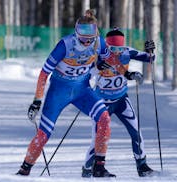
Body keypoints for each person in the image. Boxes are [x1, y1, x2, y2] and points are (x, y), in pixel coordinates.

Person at [16, 14, 116, 177]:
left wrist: (101, 65)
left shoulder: (99, 42)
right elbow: (44, 73)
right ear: (76, 33)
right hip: (59, 92)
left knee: (104, 119)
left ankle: (99, 167)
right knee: (43, 134)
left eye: (90, 39)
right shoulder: (65, 44)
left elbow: (107, 59)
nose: (86, 43)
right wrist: (37, 101)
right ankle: (24, 170)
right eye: (83, 39)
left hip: (82, 90)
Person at [81, 28, 156, 177]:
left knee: (136, 132)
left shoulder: (127, 52)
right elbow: (85, 73)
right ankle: (88, 168)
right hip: (101, 102)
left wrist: (150, 51)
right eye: (112, 48)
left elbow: (150, 59)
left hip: (121, 100)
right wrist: (97, 68)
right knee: (98, 139)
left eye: (119, 48)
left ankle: (142, 166)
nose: (116, 52)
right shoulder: (99, 55)